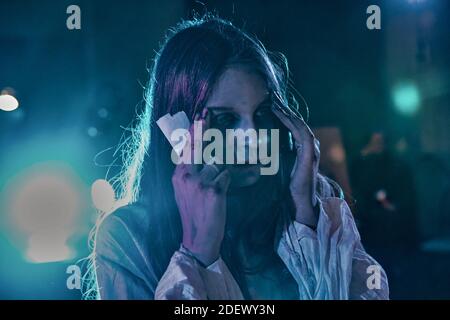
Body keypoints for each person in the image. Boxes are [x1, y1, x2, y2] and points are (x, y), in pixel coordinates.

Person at [87, 15, 389, 300]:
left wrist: (306, 218)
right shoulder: (128, 236)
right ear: (177, 130)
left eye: (261, 114)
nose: (254, 136)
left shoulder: (306, 206)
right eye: (227, 120)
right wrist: (197, 253)